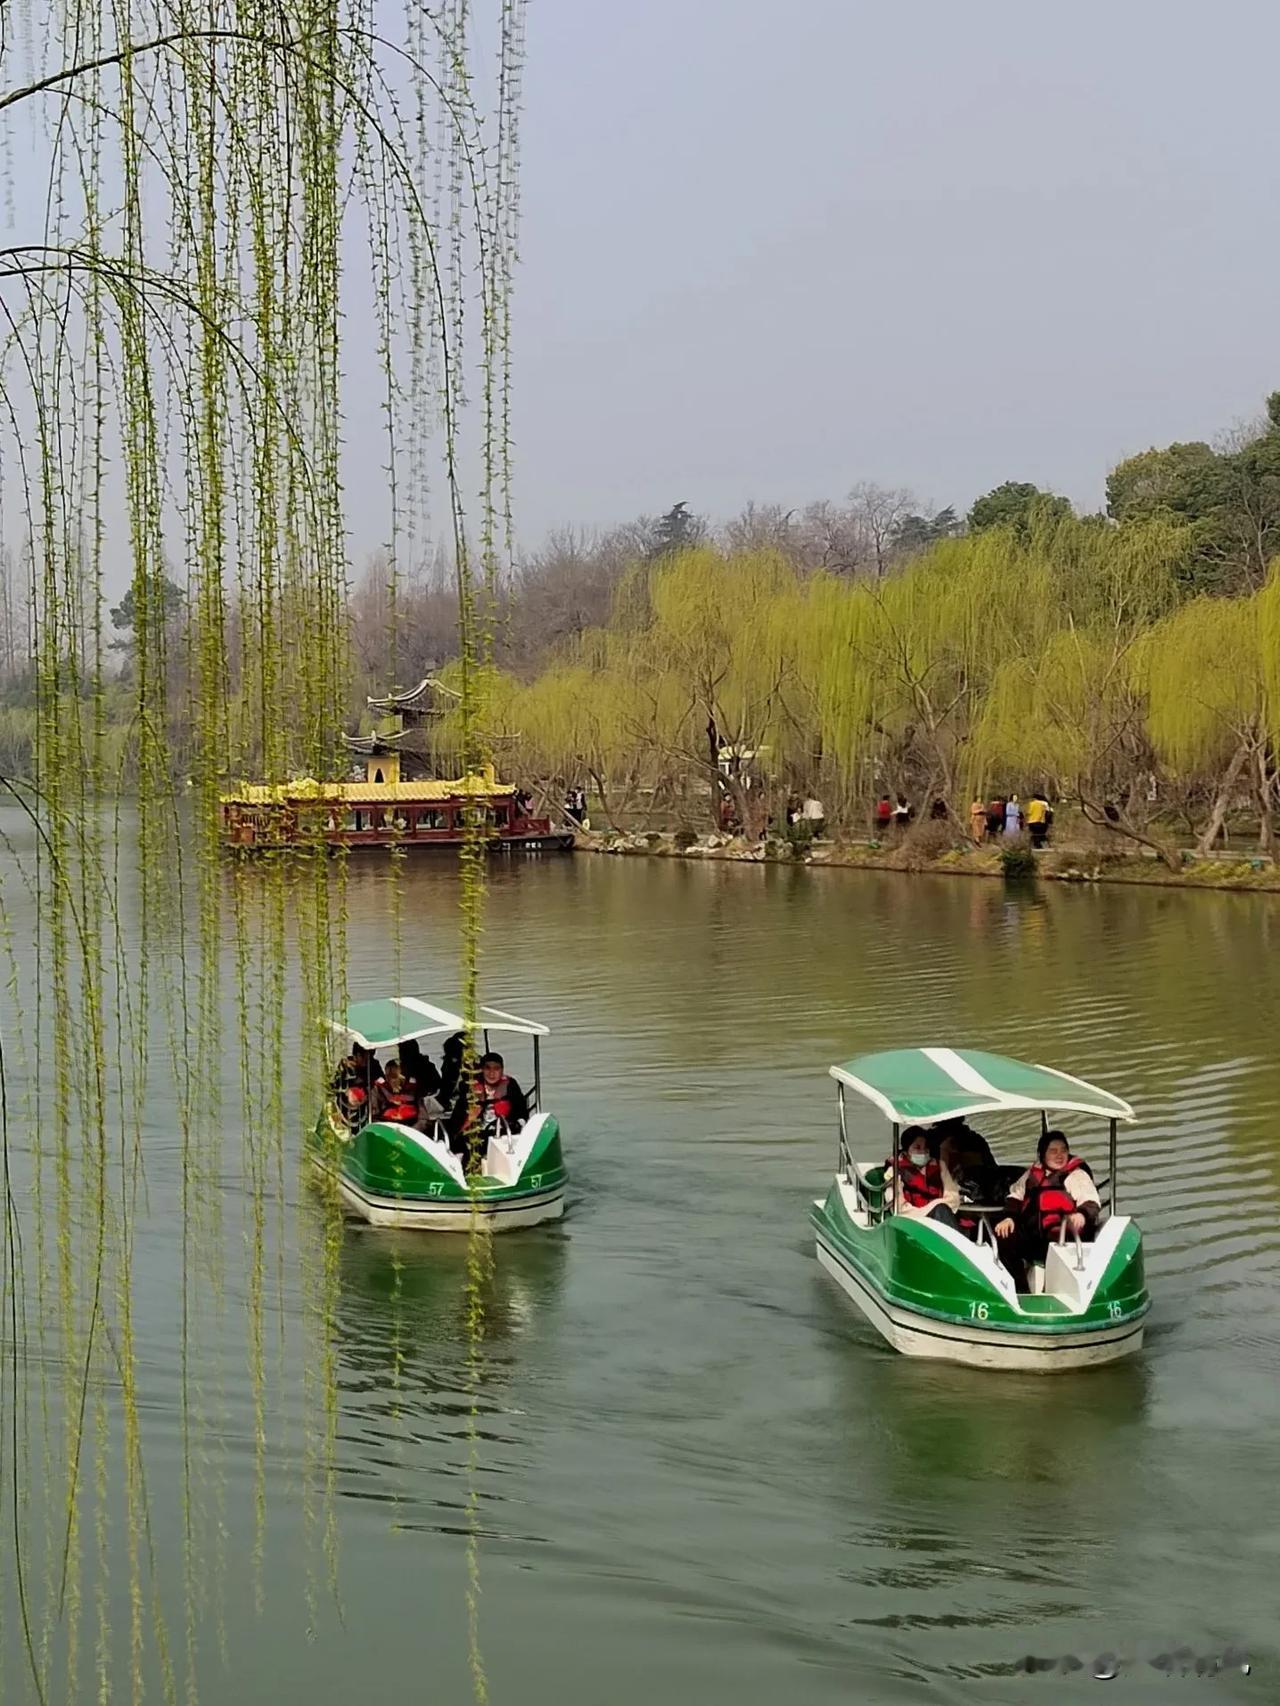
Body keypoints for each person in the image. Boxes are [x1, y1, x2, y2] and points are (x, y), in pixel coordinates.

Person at [995, 1130, 1102, 1289]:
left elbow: (1091, 1201)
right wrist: (1009, 1217)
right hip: (1033, 1237)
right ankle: (1019, 1289)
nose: (1059, 1155)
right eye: (1053, 1151)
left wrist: (1082, 1214)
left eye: (1063, 1150)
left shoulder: (1076, 1175)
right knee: (1003, 1235)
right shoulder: (1031, 1175)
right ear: (1042, 1154)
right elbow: (1015, 1197)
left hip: (1063, 1236)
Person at [881, 1126, 961, 1228]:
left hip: (938, 1219)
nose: (923, 1152)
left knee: (942, 1210)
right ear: (906, 1151)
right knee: (940, 1209)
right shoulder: (895, 1171)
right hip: (911, 1223)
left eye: (926, 1147)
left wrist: (936, 1205)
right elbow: (900, 1208)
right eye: (917, 1147)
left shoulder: (940, 1166)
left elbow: (953, 1198)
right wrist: (929, 1209)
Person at [331, 1043, 377, 1128]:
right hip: (346, 1106)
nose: (367, 1060)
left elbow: (379, 1080)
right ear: (358, 1055)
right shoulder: (344, 1066)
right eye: (365, 1057)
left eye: (370, 1057)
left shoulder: (373, 1064)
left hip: (365, 1105)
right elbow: (334, 1087)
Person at [372, 1058, 422, 1126]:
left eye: (395, 1076)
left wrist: (415, 1129)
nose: (393, 1080)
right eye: (389, 1075)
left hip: (411, 1125)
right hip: (388, 1125)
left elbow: (423, 1116)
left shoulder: (413, 1088)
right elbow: (374, 1114)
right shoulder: (379, 1089)